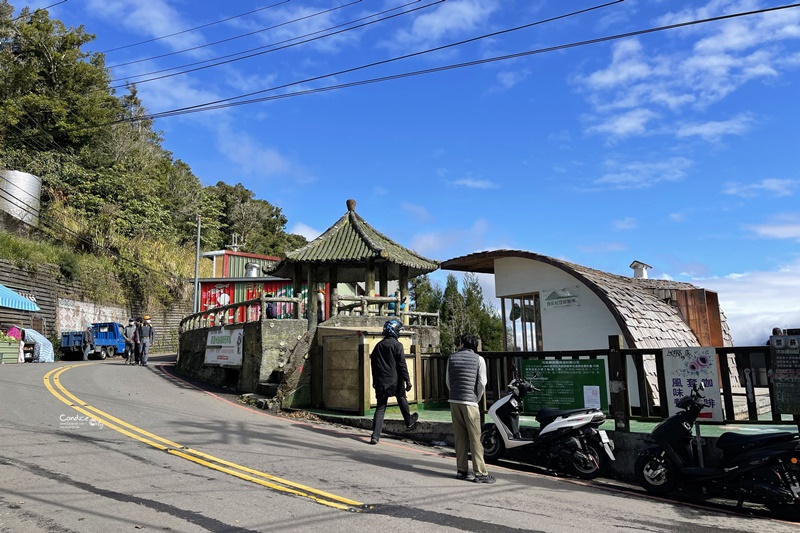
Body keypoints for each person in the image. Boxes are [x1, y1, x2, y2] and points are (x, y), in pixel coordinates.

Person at [447, 332, 494, 483]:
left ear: (462, 344)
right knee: (475, 438)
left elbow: (448, 381)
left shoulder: (451, 357)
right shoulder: (479, 359)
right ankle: (480, 473)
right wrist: (477, 398)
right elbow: (482, 383)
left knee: (460, 437)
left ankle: (462, 471)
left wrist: (454, 393)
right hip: (470, 402)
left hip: (454, 400)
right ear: (475, 346)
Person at [369, 319, 418, 445]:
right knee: (401, 397)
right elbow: (402, 365)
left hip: (381, 382)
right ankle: (408, 421)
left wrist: (375, 381)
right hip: (395, 381)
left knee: (380, 408)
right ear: (394, 331)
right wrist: (407, 380)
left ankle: (375, 436)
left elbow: (373, 364)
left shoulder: (378, 346)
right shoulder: (397, 345)